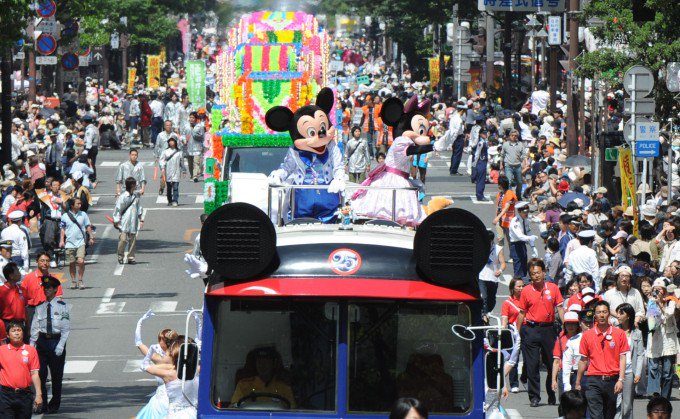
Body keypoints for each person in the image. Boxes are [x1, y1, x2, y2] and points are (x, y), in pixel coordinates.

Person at [516, 258, 564, 407]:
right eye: (532, 274)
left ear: (544, 273)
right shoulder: (525, 290)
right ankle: (534, 397)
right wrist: (517, 333)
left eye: (538, 272)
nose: (535, 276)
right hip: (530, 329)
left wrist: (566, 326)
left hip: (549, 329)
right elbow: (522, 313)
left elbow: (561, 308)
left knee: (551, 364)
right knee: (532, 365)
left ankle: (551, 393)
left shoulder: (553, 288)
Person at [576, 300, 629, 419]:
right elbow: (583, 360)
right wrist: (578, 381)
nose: (601, 315)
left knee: (609, 415)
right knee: (596, 415)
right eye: (599, 312)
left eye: (604, 312)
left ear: (609, 314)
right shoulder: (587, 335)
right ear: (594, 315)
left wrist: (621, 379)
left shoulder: (619, 334)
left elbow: (622, 357)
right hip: (593, 380)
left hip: (612, 380)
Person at [29, 275, 69, 414]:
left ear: (55, 290)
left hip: (56, 341)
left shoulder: (63, 307)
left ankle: (55, 404)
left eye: (49, 288)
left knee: (57, 376)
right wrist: (31, 345)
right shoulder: (40, 307)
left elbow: (65, 329)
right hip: (42, 343)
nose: (46, 290)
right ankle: (43, 403)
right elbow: (35, 327)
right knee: (41, 374)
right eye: (45, 288)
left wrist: (61, 345)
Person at [144, 338, 199, 418]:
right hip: (193, 414)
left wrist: (151, 350)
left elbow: (144, 366)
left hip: (174, 415)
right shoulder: (199, 370)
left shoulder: (169, 374)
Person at [646, 278, 678, 401]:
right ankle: (655, 394)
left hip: (668, 339)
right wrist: (652, 303)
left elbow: (669, 314)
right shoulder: (651, 302)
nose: (657, 291)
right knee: (653, 367)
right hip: (655, 338)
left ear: (664, 290)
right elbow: (651, 319)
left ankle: (665, 396)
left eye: (660, 289)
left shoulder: (670, 301)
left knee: (667, 371)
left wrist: (660, 303)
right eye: (655, 289)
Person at [0, 321, 42, 416]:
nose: (16, 333)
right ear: (7, 335)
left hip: (25, 395)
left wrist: (39, 395)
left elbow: (35, 373)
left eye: (19, 330)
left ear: (23, 333)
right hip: (5, 396)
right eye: (13, 330)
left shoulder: (31, 350)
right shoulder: (1, 350)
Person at [230, 347, 295, 408]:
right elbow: (233, 408)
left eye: (266, 362)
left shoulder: (284, 387)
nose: (262, 365)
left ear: (273, 364)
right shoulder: (243, 385)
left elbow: (292, 411)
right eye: (259, 362)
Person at [21, 251, 64, 336]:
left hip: (48, 310)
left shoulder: (54, 280)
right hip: (32, 310)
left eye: (47, 261)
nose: (45, 263)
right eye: (42, 260)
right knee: (31, 334)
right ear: (37, 261)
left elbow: (59, 298)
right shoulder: (28, 278)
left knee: (47, 335)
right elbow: (23, 297)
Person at [615, 302, 644, 419]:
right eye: (617, 313)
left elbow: (640, 354)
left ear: (628, 316)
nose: (618, 315)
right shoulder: (614, 331)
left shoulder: (637, 333)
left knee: (627, 403)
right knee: (616, 402)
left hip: (629, 371)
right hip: (615, 370)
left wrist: (637, 373)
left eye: (621, 313)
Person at [59, 198, 94, 290]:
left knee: (81, 261)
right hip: (69, 243)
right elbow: (62, 229)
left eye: (80, 203)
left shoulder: (83, 214)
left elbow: (88, 226)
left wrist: (91, 237)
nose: (80, 205)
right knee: (71, 263)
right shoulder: (65, 216)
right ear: (72, 205)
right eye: (78, 204)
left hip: (81, 242)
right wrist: (61, 240)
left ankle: (80, 280)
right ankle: (73, 281)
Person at [113, 177, 144, 264]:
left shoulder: (136, 196)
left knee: (132, 240)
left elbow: (139, 208)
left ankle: (131, 257)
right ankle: (120, 255)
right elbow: (118, 209)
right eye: (134, 184)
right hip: (124, 221)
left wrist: (141, 219)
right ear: (131, 185)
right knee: (122, 239)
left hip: (133, 221)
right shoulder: (123, 197)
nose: (136, 186)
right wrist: (116, 221)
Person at [501, 277, 523, 393]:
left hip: (527, 329)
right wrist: (503, 332)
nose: (521, 288)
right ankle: (514, 383)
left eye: (522, 286)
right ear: (512, 288)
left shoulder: (526, 299)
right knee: (514, 356)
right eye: (518, 286)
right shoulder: (507, 302)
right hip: (513, 331)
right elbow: (505, 319)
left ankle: (524, 376)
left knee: (530, 359)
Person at [479, 230, 505, 323]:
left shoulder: (498, 248)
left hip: (493, 278)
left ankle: (487, 312)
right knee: (483, 296)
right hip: (482, 276)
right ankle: (484, 315)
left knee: (491, 300)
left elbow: (503, 263)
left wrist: (500, 270)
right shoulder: (480, 247)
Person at [508, 201, 537, 278]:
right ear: (519, 211)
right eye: (525, 212)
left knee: (524, 265)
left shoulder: (525, 220)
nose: (527, 213)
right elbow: (520, 236)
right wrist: (530, 238)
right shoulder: (515, 222)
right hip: (516, 245)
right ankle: (517, 285)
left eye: (528, 211)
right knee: (518, 266)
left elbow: (528, 232)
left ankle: (524, 282)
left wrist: (533, 247)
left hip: (522, 244)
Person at [39, 179, 65, 264]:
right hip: (50, 220)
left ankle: (58, 256)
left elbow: (67, 207)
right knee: (48, 240)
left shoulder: (63, 196)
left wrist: (62, 202)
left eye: (58, 185)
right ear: (51, 187)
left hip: (60, 220)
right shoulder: (46, 197)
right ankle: (52, 255)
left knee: (60, 238)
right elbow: (42, 209)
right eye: (54, 185)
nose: (56, 187)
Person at [155, 120, 179, 196]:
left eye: (170, 125)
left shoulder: (174, 135)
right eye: (167, 125)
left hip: (173, 158)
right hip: (163, 158)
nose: (168, 127)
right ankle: (162, 187)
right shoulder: (160, 135)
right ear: (164, 126)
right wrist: (156, 156)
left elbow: (178, 146)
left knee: (173, 174)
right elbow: (157, 146)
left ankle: (171, 189)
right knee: (163, 174)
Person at [159, 138, 186, 206]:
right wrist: (162, 168)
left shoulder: (179, 152)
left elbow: (181, 162)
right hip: (168, 172)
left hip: (176, 171)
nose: (171, 142)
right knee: (169, 187)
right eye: (170, 141)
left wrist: (184, 170)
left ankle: (175, 200)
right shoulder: (165, 151)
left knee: (176, 187)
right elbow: (162, 160)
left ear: (175, 142)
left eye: (172, 141)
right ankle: (170, 200)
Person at [492, 176, 517, 248]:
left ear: (502, 184)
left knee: (510, 240)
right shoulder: (499, 194)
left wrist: (497, 217)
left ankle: (512, 257)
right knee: (500, 239)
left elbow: (506, 208)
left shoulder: (510, 193)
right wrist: (496, 217)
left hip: (508, 220)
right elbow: (498, 207)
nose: (498, 185)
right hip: (499, 220)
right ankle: (500, 258)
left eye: (499, 184)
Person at [500, 130, 526, 198]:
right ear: (509, 136)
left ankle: (518, 195)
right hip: (508, 165)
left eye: (515, 135)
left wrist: (523, 161)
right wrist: (501, 164)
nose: (514, 137)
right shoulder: (505, 144)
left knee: (519, 182)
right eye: (512, 135)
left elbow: (524, 154)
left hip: (517, 165)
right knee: (509, 181)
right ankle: (509, 196)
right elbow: (502, 155)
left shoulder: (520, 144)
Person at [471, 127, 489, 201]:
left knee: (482, 178)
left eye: (486, 133)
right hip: (480, 162)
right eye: (483, 133)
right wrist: (474, 164)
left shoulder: (484, 141)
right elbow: (477, 153)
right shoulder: (481, 142)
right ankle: (479, 195)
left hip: (483, 162)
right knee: (481, 179)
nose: (485, 134)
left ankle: (480, 194)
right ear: (480, 134)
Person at [186, 112, 205, 182]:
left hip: (197, 147)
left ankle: (195, 176)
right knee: (190, 164)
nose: (191, 119)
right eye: (190, 117)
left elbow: (203, 136)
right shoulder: (186, 126)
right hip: (189, 147)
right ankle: (191, 175)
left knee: (196, 162)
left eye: (193, 118)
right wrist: (183, 140)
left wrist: (195, 134)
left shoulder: (199, 126)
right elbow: (182, 135)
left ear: (196, 119)